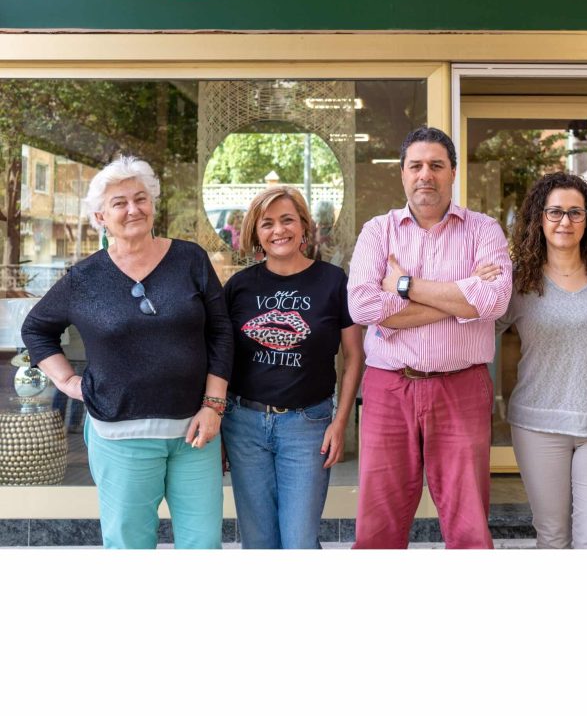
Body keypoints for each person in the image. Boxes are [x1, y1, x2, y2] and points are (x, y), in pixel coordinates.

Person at [21, 155, 233, 549]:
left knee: (203, 545)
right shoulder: (84, 277)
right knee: (129, 547)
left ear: (153, 203)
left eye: (141, 198)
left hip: (195, 430)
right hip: (120, 435)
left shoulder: (190, 259)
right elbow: (36, 328)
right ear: (101, 217)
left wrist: (213, 404)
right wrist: (66, 380)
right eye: (120, 203)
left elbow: (220, 331)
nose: (133, 209)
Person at [347, 126, 512, 549]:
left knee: (468, 522)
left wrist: (403, 287)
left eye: (436, 165)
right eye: (416, 165)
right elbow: (363, 308)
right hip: (389, 388)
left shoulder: (483, 230)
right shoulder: (378, 231)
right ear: (402, 174)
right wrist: (460, 295)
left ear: (453, 172)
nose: (426, 175)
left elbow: (493, 302)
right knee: (378, 523)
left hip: (461, 387)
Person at [221, 186, 363, 549]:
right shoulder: (238, 287)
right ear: (255, 233)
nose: (278, 230)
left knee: (299, 542)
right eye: (267, 223)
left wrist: (341, 421)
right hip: (244, 426)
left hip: (308, 426)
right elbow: (221, 357)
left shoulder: (333, 281)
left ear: (304, 226)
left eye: (287, 220)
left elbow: (354, 357)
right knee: (258, 542)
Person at [498, 171, 587, 549]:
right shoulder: (518, 281)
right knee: (553, 537)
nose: (564, 221)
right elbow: (475, 334)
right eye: (555, 212)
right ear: (539, 218)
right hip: (537, 424)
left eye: (576, 212)